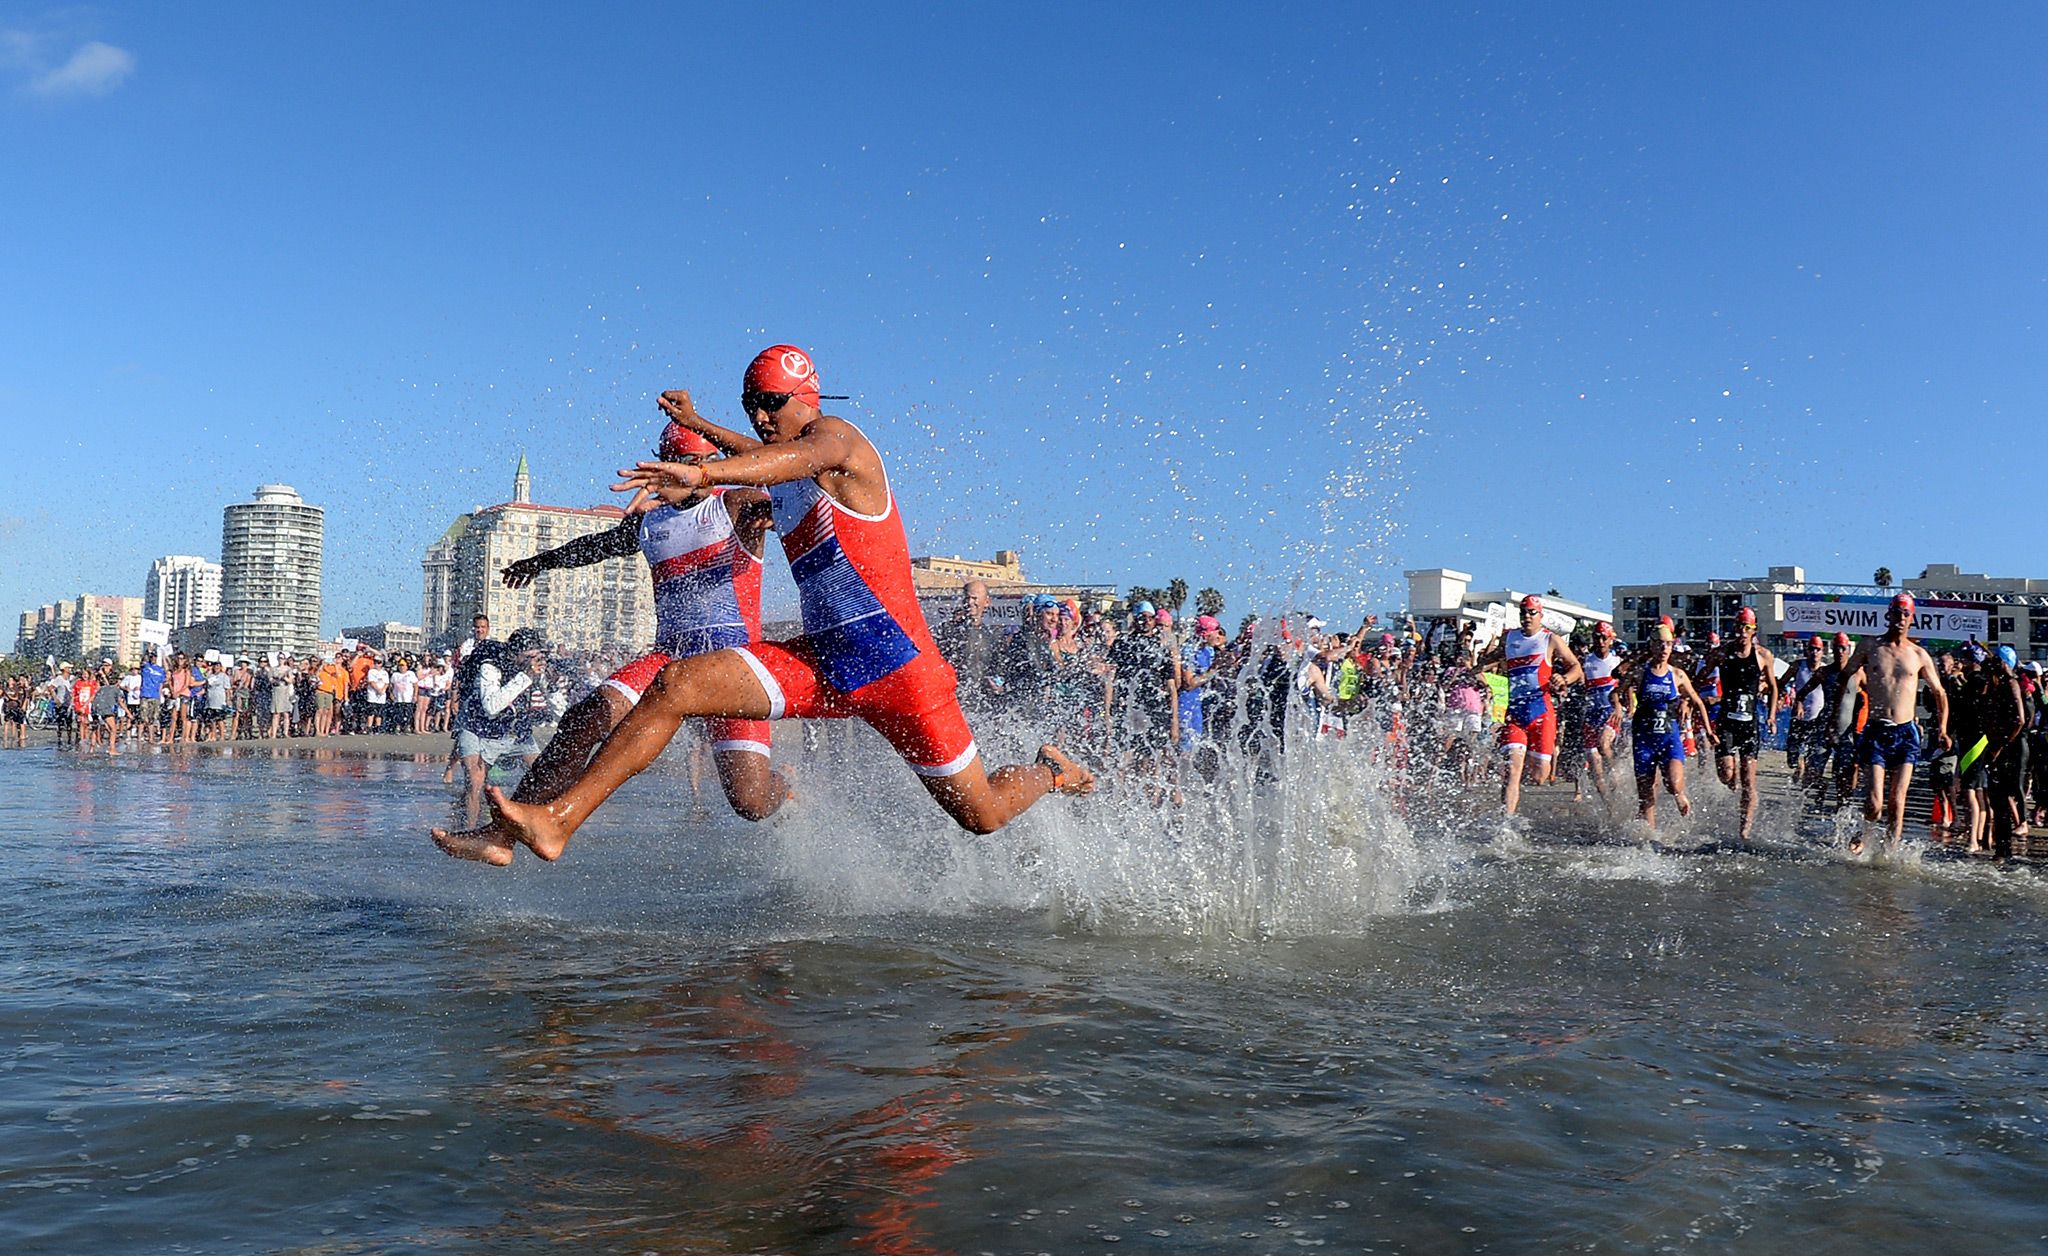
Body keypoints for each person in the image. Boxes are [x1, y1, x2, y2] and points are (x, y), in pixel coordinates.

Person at [433, 346, 1091, 865]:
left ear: (806, 397)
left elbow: (799, 454)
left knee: (980, 814)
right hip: (828, 663)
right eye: (751, 404)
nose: (758, 416)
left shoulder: (840, 442)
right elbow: (771, 456)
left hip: (901, 674)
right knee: (676, 684)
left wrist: (708, 469)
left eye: (770, 402)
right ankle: (552, 821)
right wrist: (698, 428)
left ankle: (1049, 773)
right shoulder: (781, 461)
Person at [434, 420, 792, 864]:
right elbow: (595, 547)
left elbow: (791, 485)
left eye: (673, 469)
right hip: (668, 657)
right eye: (660, 468)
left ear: (702, 467)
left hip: (732, 665)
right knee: (582, 721)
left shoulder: (737, 504)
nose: (661, 479)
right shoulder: (652, 522)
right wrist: (540, 560)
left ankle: (788, 787)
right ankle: (499, 836)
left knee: (751, 802)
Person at [1839, 593, 1950, 856]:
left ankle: (1890, 853)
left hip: (1905, 733)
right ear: (1888, 614)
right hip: (1876, 730)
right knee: (1875, 803)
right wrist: (1839, 713)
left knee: (1897, 802)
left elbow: (1940, 693)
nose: (1900, 618)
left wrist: (1943, 728)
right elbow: (1845, 675)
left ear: (1912, 618)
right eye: (1896, 612)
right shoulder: (1870, 647)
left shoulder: (1918, 654)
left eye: (1905, 614)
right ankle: (1864, 835)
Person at [1476, 595, 1584, 818]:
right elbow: (1496, 657)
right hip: (1515, 714)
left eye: (1531, 612)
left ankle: (1521, 778)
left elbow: (1576, 668)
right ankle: (1505, 822)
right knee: (1512, 770)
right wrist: (1475, 668)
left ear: (1540, 615)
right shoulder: (1510, 638)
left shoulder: (1550, 639)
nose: (1526, 616)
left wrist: (1564, 679)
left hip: (1541, 714)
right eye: (1523, 611)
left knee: (1539, 776)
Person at [1631, 623, 1715, 829]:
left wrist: (1709, 731)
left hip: (1669, 736)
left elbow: (1697, 700)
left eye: (1668, 644)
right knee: (1646, 795)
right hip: (1644, 739)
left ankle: (1681, 795)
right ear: (1652, 646)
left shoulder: (1677, 675)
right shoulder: (1640, 672)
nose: (1664, 649)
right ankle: (1648, 837)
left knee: (1674, 784)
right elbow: (1616, 691)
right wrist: (1617, 704)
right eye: (1660, 644)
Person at [1704, 607, 1779, 840]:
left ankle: (1744, 830)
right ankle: (1731, 773)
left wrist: (1772, 715)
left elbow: (1774, 687)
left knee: (1749, 781)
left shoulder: (1763, 655)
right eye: (1740, 627)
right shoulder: (1722, 654)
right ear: (1734, 628)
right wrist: (1692, 702)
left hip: (1750, 724)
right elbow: (1699, 678)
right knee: (1726, 775)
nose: (1743, 632)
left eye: (1748, 628)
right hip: (1727, 721)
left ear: (1754, 630)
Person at [1980, 644, 2029, 853]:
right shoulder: (1997, 685)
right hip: (1998, 747)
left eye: (1995, 661)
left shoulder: (2011, 684)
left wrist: (2000, 745)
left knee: (2003, 798)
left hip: (2008, 749)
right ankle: (2000, 847)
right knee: (1997, 800)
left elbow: (2019, 719)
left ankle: (2004, 848)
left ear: (2003, 662)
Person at [1576, 622, 1624, 810]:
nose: (1600, 641)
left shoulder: (1616, 662)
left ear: (1611, 640)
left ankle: (1616, 774)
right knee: (1595, 768)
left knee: (1604, 745)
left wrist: (1621, 706)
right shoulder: (1586, 662)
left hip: (1609, 712)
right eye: (1597, 637)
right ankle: (1610, 807)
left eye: (1604, 637)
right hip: (1591, 715)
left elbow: (1624, 686)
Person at [934, 580, 1001, 714]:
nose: (970, 602)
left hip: (982, 702)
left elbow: (998, 669)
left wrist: (997, 684)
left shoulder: (992, 636)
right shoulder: (948, 631)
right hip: (952, 700)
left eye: (975, 598)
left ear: (987, 602)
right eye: (967, 598)